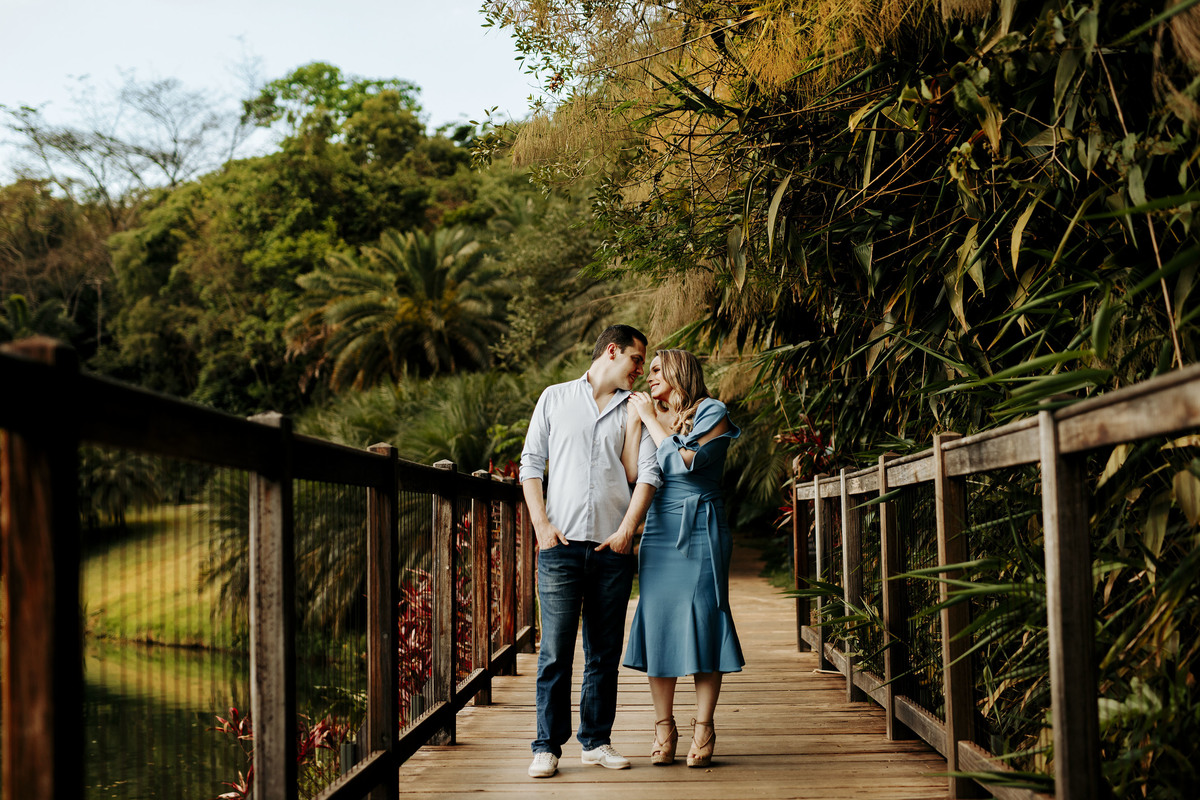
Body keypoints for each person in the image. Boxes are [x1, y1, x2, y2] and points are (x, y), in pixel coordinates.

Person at [519, 324, 663, 779]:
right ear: (612, 351)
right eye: (637, 360)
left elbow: (643, 474)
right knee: (556, 651)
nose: (641, 370)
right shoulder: (554, 398)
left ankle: (596, 741)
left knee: (603, 651)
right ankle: (546, 746)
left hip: (611, 548)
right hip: (559, 548)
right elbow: (531, 464)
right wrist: (542, 526)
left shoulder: (634, 408)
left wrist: (626, 533)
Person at [619, 348, 745, 768]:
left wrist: (652, 422)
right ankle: (663, 728)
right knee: (659, 622)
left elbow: (688, 463)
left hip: (702, 525)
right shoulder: (653, 415)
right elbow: (634, 474)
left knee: (706, 619)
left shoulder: (712, 411)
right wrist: (638, 424)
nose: (648, 377)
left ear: (677, 372)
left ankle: (704, 727)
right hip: (660, 529)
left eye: (656, 370)